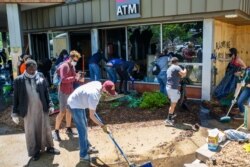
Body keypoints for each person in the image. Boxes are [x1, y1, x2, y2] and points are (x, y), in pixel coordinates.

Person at [11, 59, 60, 161]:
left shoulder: (40, 76)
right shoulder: (18, 80)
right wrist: (14, 113)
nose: (33, 72)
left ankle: (50, 147)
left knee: (46, 128)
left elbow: (46, 92)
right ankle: (35, 151)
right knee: (31, 131)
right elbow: (15, 97)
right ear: (26, 69)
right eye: (31, 70)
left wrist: (50, 104)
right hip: (28, 110)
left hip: (42, 108)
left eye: (35, 69)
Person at [67, 80, 116, 163]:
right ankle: (83, 155)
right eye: (108, 93)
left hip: (79, 102)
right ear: (104, 89)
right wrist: (102, 126)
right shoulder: (94, 96)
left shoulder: (98, 84)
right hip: (74, 104)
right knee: (82, 131)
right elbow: (92, 116)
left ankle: (87, 148)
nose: (109, 95)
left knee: (85, 127)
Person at [53, 50, 82, 141]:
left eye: (77, 60)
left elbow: (74, 78)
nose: (75, 62)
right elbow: (64, 79)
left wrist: (79, 77)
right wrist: (75, 77)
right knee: (62, 112)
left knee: (69, 110)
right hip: (63, 91)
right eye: (75, 60)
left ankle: (68, 128)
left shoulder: (72, 66)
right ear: (70, 58)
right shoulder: (64, 66)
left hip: (70, 91)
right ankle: (56, 132)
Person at [164, 57, 187, 126]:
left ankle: (171, 115)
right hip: (173, 88)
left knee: (173, 103)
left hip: (168, 87)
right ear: (177, 62)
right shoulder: (177, 67)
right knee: (173, 105)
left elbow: (179, 76)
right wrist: (185, 69)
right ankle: (169, 120)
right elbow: (183, 74)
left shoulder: (169, 68)